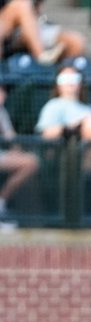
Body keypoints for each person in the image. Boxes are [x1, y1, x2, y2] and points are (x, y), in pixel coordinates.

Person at [0, 90, 38, 231]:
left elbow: (11, 138)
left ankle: (1, 202)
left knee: (31, 162)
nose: (2, 94)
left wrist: (16, 151)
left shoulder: (1, 111)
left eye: (3, 90)